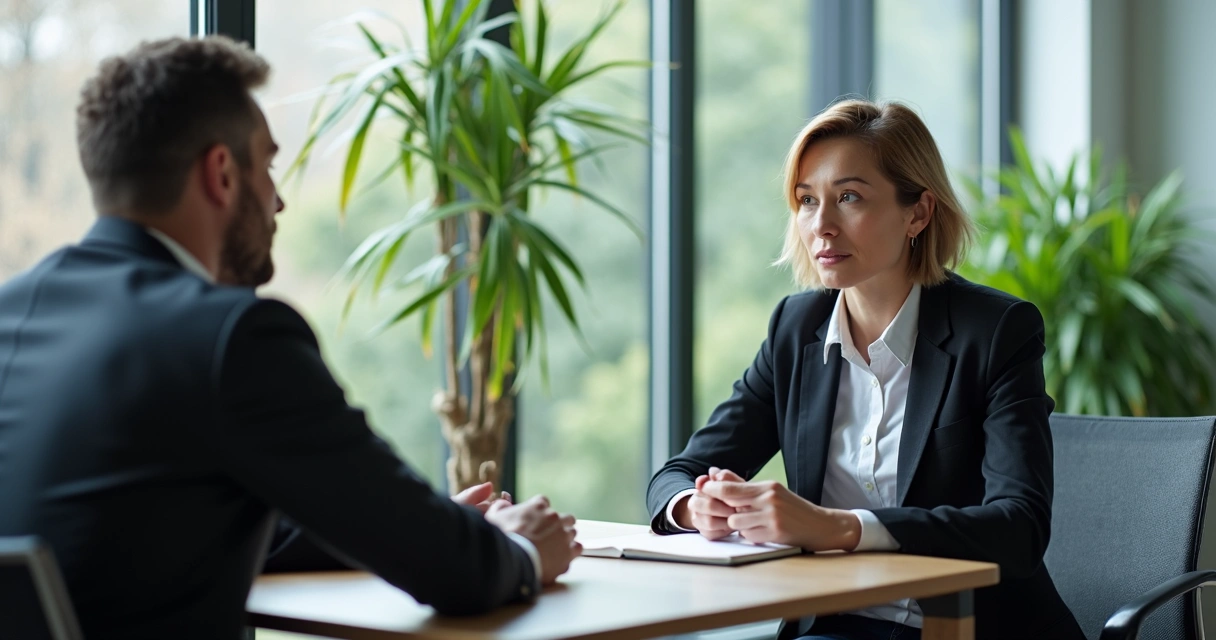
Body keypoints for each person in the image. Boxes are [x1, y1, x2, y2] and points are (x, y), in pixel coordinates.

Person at [0, 35, 580, 638]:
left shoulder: (13, 311)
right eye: (268, 164)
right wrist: (518, 550)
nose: (277, 200)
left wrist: (416, 527)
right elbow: (457, 575)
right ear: (221, 173)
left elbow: (165, 520)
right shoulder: (231, 336)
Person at [646, 100, 1085, 640]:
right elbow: (678, 472)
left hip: (962, 628)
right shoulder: (795, 328)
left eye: (848, 197)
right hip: (833, 628)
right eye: (807, 200)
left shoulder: (995, 332)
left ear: (918, 213)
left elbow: (1018, 527)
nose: (821, 225)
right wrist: (696, 507)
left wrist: (838, 528)